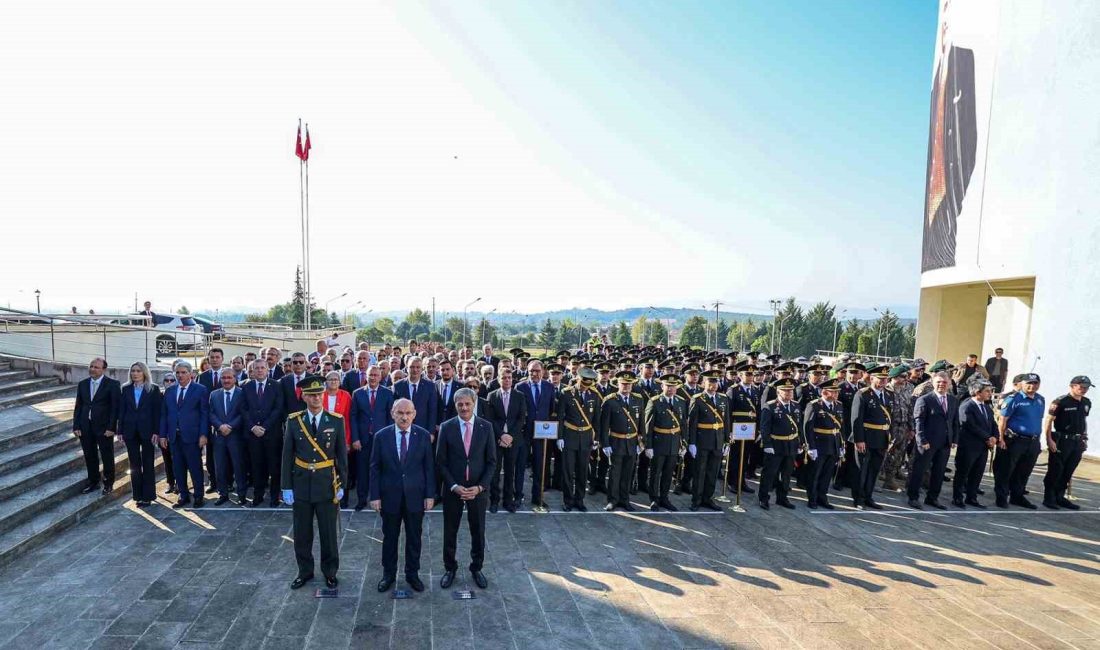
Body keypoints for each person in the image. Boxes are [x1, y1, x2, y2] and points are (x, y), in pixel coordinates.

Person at [281, 376, 348, 590]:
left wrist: (342, 485)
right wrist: (286, 486)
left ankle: (330, 572)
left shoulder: (336, 420)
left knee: (328, 533)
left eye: (320, 394)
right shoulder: (294, 420)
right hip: (301, 483)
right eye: (312, 395)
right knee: (302, 533)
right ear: (304, 397)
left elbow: (341, 457)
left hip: (326, 484)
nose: (317, 398)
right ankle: (305, 571)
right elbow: (287, 455)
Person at [370, 398, 434, 593]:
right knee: (390, 537)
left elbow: (429, 467)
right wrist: (375, 495)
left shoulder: (423, 436)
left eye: (408, 413)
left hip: (415, 496)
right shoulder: (381, 436)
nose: (404, 417)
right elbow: (375, 468)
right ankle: (388, 574)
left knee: (415, 537)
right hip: (390, 496)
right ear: (393, 414)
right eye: (400, 413)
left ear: (414, 414)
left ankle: (412, 574)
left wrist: (429, 495)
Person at [436, 388, 496, 590]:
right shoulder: (447, 427)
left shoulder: (486, 427)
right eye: (460, 404)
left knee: (478, 530)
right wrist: (453, 486)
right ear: (455, 405)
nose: (464, 407)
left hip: (477, 490)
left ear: (474, 403)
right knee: (450, 530)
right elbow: (441, 462)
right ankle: (449, 568)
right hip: (454, 489)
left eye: (467, 404)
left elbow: (492, 462)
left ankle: (477, 567)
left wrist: (480, 487)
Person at [159, 361, 210, 508]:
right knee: (178, 467)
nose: (180, 375)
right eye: (177, 373)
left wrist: (203, 434)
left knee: (195, 467)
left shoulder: (200, 390)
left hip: (192, 436)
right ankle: (183, 495)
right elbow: (164, 414)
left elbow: (204, 414)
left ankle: (199, 496)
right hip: (174, 437)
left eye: (183, 372)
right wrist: (163, 434)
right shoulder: (169, 391)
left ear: (190, 374)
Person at [72, 357, 122, 496]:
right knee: (89, 455)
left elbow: (115, 408)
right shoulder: (82, 384)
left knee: (107, 456)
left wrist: (112, 428)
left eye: (96, 367)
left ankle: (108, 483)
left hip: (104, 428)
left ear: (104, 370)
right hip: (85, 426)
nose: (92, 369)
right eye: (91, 366)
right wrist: (76, 425)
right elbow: (78, 406)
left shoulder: (112, 384)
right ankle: (93, 481)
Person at [909, 373, 959, 509]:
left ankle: (932, 498)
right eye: (938, 382)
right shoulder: (925, 399)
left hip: (944, 443)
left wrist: (954, 439)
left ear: (949, 383)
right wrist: (922, 440)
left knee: (939, 472)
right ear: (932, 383)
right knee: (920, 470)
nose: (941, 384)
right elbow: (918, 422)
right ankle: (913, 497)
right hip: (927, 442)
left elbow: (954, 421)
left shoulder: (953, 400)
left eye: (944, 382)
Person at [994, 373, 1044, 509]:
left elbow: (1038, 420)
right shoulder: (1013, 399)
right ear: (1022, 383)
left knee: (1024, 471)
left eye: (1035, 383)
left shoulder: (1040, 400)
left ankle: (1017, 496)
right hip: (1015, 440)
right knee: (1006, 469)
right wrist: (1001, 439)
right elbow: (1002, 420)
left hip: (1032, 441)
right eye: (1029, 383)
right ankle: (1001, 497)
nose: (1032, 386)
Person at [1042, 376, 1091, 510]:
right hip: (1062, 440)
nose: (1084, 390)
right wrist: (1049, 440)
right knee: (1056, 470)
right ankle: (1049, 497)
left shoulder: (1086, 402)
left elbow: (1083, 421)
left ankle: (1060, 496)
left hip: (1077, 441)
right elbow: (1049, 421)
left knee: (1068, 470)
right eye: (1081, 387)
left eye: (1086, 387)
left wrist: (1084, 438)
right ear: (1072, 386)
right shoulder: (1061, 401)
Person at [599, 370, 645, 511]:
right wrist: (605, 444)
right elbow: (604, 425)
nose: (626, 386)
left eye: (629, 384)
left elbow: (641, 423)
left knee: (628, 473)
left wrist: (641, 442)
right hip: (616, 441)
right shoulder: (610, 401)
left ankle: (625, 500)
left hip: (631, 442)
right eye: (623, 384)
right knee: (615, 472)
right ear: (617, 384)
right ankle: (613, 500)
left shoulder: (638, 399)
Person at [556, 367, 600, 512]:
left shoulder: (594, 395)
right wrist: (560, 437)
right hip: (570, 436)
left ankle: (579, 500)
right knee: (568, 471)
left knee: (582, 471)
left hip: (586, 438)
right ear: (578, 380)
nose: (584, 388)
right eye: (583, 385)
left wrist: (596, 439)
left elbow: (597, 420)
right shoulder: (567, 393)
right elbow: (561, 417)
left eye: (587, 386)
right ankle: (568, 500)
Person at [117, 362, 161, 506]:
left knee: (148, 463)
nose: (135, 374)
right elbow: (121, 411)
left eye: (138, 371)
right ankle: (137, 496)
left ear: (144, 373)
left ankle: (148, 496)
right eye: (133, 371)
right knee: (134, 464)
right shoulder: (125, 389)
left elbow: (157, 412)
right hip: (130, 431)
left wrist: (156, 431)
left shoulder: (153, 389)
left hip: (148, 431)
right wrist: (120, 430)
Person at [849, 365, 893, 509]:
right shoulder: (863, 394)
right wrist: (859, 439)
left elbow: (890, 417)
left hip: (881, 438)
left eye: (885, 379)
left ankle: (868, 496)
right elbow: (856, 419)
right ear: (872, 378)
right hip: (866, 437)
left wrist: (890, 436)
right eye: (880, 378)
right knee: (861, 469)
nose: (883, 381)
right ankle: (858, 498)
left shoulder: (888, 394)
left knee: (874, 469)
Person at [243, 360, 285, 507]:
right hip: (253, 435)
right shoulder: (246, 386)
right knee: (256, 466)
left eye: (262, 368)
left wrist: (265, 427)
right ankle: (258, 495)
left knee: (274, 467)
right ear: (252, 371)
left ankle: (274, 497)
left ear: (267, 370)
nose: (260, 370)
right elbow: (244, 410)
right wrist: (253, 427)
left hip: (272, 434)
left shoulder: (276, 385)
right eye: (256, 368)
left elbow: (278, 409)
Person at [686, 370, 729, 511]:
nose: (714, 385)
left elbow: (726, 421)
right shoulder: (698, 399)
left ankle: (707, 498)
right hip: (702, 440)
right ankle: (696, 500)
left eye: (716, 382)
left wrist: (727, 441)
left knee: (713, 472)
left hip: (717, 440)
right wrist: (691, 443)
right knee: (700, 471)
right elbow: (692, 423)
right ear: (704, 383)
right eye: (710, 382)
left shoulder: (723, 399)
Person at [487, 368, 527, 513]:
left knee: (510, 471)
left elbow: (521, 418)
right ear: (498, 379)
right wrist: (501, 435)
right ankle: (494, 501)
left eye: (509, 377)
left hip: (513, 440)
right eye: (504, 378)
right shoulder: (492, 396)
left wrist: (510, 436)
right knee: (495, 472)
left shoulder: (520, 396)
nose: (507, 380)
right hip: (497, 440)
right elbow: (490, 419)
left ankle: (508, 501)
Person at [758, 377, 801, 510]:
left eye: (790, 391)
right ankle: (764, 498)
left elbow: (798, 426)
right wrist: (767, 445)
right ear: (778, 392)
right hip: (776, 444)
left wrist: (800, 443)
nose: (789, 393)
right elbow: (765, 428)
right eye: (785, 391)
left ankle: (782, 498)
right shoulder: (770, 406)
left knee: (787, 474)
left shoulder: (795, 405)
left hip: (791, 444)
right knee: (770, 473)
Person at [644, 373, 686, 511]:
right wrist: (648, 446)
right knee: (656, 473)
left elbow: (683, 425)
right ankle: (654, 499)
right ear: (662, 386)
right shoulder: (655, 401)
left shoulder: (680, 401)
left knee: (668, 473)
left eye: (673, 386)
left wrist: (683, 443)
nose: (671, 389)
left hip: (674, 443)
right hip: (659, 442)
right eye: (668, 386)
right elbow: (648, 426)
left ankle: (664, 498)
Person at [517, 360, 555, 509]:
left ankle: (537, 497)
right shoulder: (520, 387)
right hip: (524, 432)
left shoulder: (549, 387)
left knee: (540, 466)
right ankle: (518, 496)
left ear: (543, 371)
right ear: (527, 371)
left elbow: (551, 408)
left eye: (537, 371)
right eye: (531, 370)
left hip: (541, 434)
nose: (534, 373)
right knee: (520, 466)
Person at [954, 377, 997, 508]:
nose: (990, 394)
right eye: (987, 391)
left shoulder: (987, 407)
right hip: (969, 446)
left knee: (977, 473)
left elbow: (993, 424)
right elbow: (968, 424)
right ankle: (957, 497)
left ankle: (972, 497)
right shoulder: (967, 406)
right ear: (978, 392)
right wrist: (987, 437)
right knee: (963, 472)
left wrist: (995, 436)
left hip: (983, 447)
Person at [802, 378, 843, 509]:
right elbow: (807, 427)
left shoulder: (838, 405)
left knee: (827, 474)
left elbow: (841, 427)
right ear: (824, 392)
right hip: (819, 445)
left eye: (837, 392)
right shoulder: (814, 405)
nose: (836, 394)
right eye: (833, 392)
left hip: (833, 444)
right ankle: (812, 498)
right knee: (815, 473)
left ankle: (822, 497)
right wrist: (810, 446)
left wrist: (841, 445)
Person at [209, 367, 247, 505]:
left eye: (229, 377)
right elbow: (211, 413)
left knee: (239, 466)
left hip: (236, 436)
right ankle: (223, 493)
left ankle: (242, 494)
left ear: (235, 379)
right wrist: (220, 426)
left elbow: (243, 413)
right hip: (219, 436)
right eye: (223, 378)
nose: (226, 380)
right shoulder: (214, 394)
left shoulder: (242, 393)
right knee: (220, 466)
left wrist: (230, 426)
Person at [321, 371, 354, 507]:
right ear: (326, 382)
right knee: (325, 469)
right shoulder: (320, 395)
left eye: (336, 379)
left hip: (341, 437)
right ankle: (326, 495)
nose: (333, 381)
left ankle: (343, 498)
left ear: (340, 382)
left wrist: (347, 441)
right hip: (323, 438)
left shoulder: (345, 395)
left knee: (342, 468)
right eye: (330, 379)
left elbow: (349, 419)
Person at [882, 365, 914, 492]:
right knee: (886, 453)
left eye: (906, 377)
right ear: (894, 377)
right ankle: (879, 478)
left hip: (903, 426)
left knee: (899, 454)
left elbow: (909, 408)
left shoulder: (906, 390)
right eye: (903, 377)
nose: (905, 379)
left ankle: (890, 479)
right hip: (890, 427)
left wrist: (911, 428)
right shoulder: (886, 390)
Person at [392, 356, 439, 438]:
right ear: (407, 368)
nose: (415, 370)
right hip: (402, 429)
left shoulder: (430, 386)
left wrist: (431, 432)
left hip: (423, 430)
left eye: (418, 367)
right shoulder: (398, 386)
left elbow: (432, 411)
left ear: (422, 369)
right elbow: (394, 409)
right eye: (412, 367)